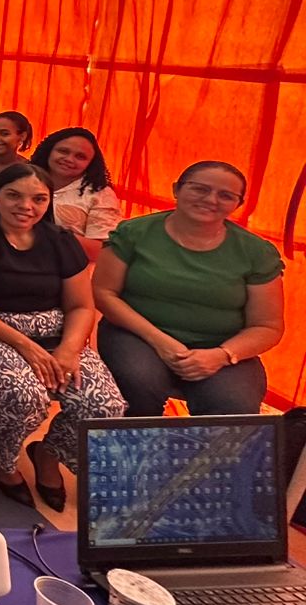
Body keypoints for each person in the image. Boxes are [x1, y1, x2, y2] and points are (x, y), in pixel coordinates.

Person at [0, 163, 125, 510]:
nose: (26, 206)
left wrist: (69, 350)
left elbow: (82, 306)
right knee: (25, 396)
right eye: (14, 195)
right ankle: (3, 458)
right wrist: (26, 347)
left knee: (105, 406)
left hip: (56, 335)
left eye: (39, 199)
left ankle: (48, 453)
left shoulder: (61, 241)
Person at [94, 160, 284, 417]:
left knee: (233, 407)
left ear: (238, 205)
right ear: (177, 190)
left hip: (222, 346)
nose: (211, 200)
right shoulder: (134, 234)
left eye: (226, 195)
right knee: (138, 385)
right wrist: (161, 341)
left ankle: (195, 458)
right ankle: (137, 455)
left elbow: (267, 326)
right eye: (200, 189)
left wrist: (222, 355)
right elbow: (104, 293)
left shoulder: (256, 253)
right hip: (138, 335)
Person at [30, 127, 121, 257]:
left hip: (66, 271)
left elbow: (102, 250)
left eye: (80, 157)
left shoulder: (100, 194)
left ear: (90, 163)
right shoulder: (24, 178)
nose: (69, 159)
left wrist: (52, 234)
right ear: (49, 151)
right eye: (63, 151)